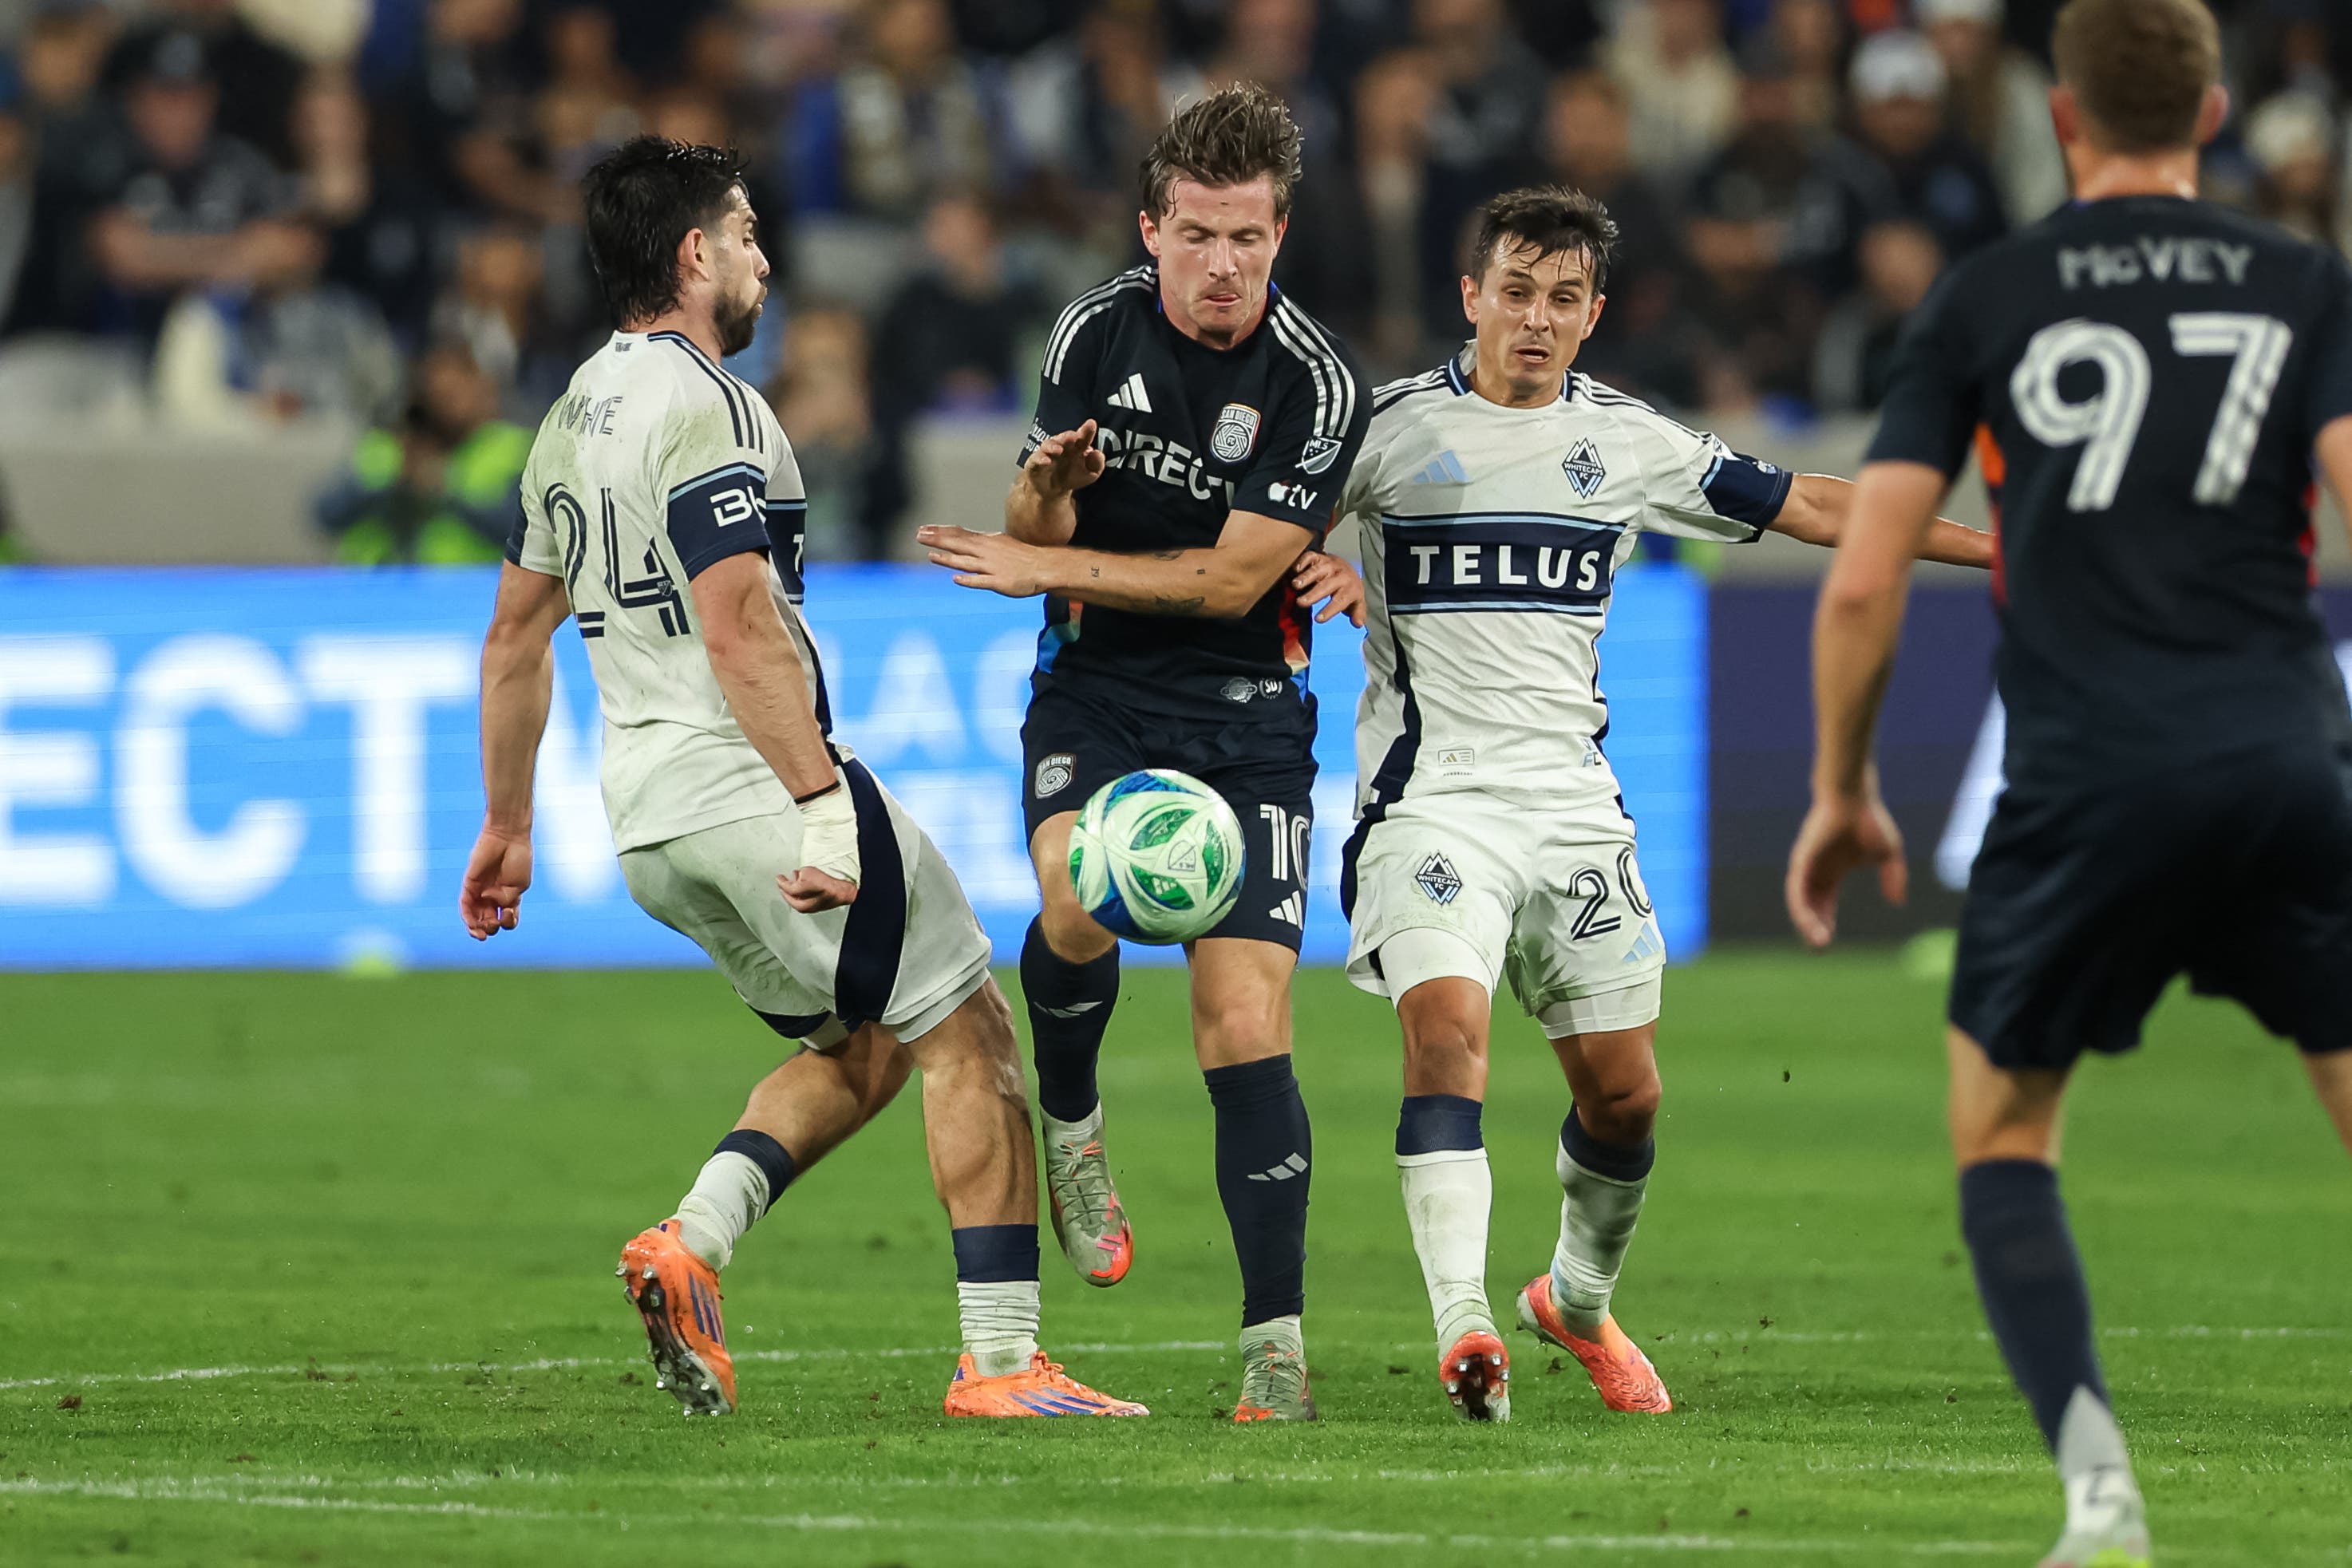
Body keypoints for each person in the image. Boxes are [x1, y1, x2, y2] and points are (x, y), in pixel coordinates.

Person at [1785, 2, 2352, 1562]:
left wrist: (1842, 787)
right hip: (2281, 755)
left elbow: (1862, 578)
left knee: (2004, 1129)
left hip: (2083, 775)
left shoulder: (1989, 294)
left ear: (2060, 117)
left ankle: (2100, 1490)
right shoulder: (2305, 282)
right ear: (2215, 114)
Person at [461, 135, 1145, 1423]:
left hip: (650, 821)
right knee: (971, 1026)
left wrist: (507, 823)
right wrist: (823, 805)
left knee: (869, 1042)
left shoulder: (569, 414)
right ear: (694, 254)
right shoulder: (712, 404)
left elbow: (512, 637)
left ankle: (693, 1242)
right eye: (745, 234)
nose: (765, 259)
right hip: (758, 791)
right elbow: (736, 621)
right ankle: (1004, 1362)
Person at [1334, 185, 1990, 1424]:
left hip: (1574, 807)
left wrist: (2002, 550)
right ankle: (1465, 1327)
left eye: (1563, 298)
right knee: (1446, 1037)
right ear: (1470, 297)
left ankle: (1575, 1301)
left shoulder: (1627, 442)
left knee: (1626, 1097)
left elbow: (1813, 504)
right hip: (1433, 801)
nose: (1536, 319)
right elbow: (1258, 534)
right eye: (1515, 292)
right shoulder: (1382, 431)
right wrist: (1305, 558)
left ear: (1593, 315)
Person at [916, 85, 1369, 1423]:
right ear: (1151, 228)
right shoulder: (1091, 330)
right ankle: (1071, 1120)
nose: (1222, 264)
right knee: (1075, 900)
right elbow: (1035, 514)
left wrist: (1046, 561)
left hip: (1249, 718)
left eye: (1248, 237)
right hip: (1099, 693)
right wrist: (1040, 495)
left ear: (1280, 234)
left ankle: (1275, 1345)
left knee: (1246, 1021)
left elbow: (1233, 583)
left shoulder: (1315, 383)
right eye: (1198, 235)